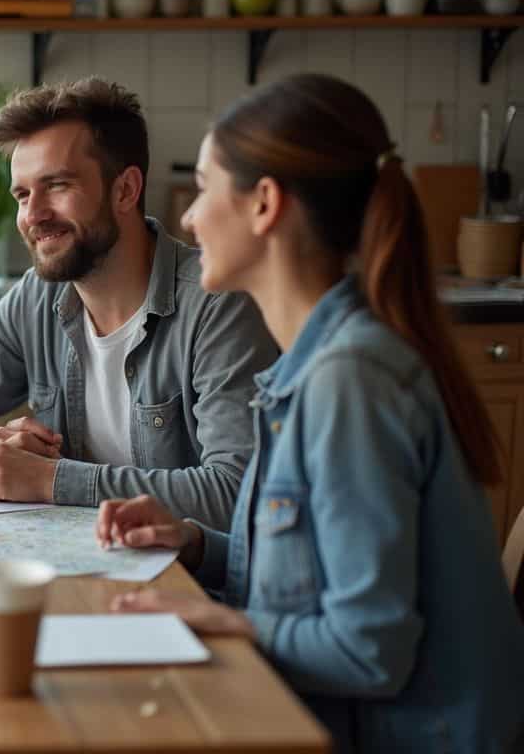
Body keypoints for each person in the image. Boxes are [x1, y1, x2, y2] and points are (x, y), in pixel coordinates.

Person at [98, 74, 524, 753]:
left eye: (206, 188)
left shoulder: (349, 382)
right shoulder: (319, 367)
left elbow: (367, 650)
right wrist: (195, 542)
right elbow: (319, 575)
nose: (187, 216)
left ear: (265, 203)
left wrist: (226, 620)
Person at [0, 76, 277, 529]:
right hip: (79, 557)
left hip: (186, 580)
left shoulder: (217, 304)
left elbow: (234, 491)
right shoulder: (39, 296)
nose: (33, 215)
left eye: (56, 186)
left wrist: (52, 480)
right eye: (22, 194)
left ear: (125, 190)